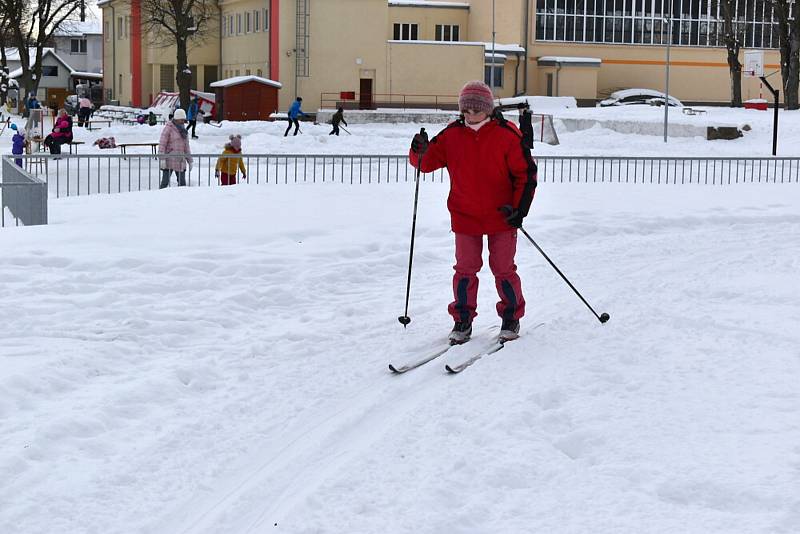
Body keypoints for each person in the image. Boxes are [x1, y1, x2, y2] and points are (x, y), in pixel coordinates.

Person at [408, 80, 537, 344]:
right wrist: (417, 149)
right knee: (465, 270)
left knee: (503, 268)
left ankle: (511, 317)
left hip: (502, 216)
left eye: (476, 110)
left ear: (488, 109)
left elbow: (526, 174)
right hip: (465, 216)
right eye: (466, 110)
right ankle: (462, 320)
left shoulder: (507, 134)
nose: (470, 115)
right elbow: (425, 163)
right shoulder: (452, 135)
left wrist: (519, 210)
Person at [158, 108, 192, 188]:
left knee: (182, 184)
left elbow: (186, 146)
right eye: (181, 119)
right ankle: (160, 197)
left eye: (184, 119)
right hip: (169, 160)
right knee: (165, 182)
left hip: (180, 160)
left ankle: (181, 199)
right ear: (176, 119)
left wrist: (190, 161)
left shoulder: (184, 131)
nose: (183, 121)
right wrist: (162, 158)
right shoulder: (169, 128)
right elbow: (162, 143)